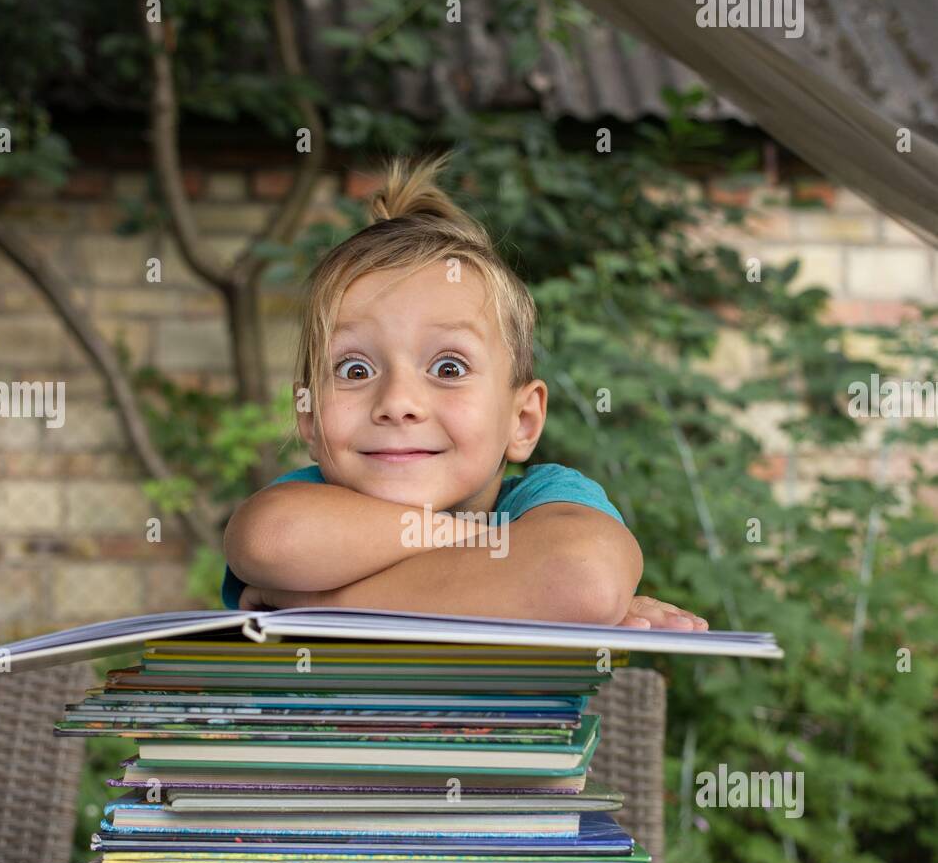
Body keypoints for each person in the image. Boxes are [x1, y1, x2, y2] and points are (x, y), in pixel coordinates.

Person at [222, 152, 707, 633]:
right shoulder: (305, 502)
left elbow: (582, 581)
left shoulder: (546, 501)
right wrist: (495, 544)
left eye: (449, 367)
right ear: (307, 418)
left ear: (522, 421)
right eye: (354, 369)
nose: (397, 404)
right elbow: (272, 540)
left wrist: (317, 602)